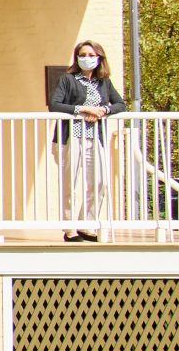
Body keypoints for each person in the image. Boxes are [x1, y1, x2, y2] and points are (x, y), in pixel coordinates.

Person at [47, 40, 126, 243]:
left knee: (99, 182)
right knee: (69, 183)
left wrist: (103, 110)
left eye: (91, 55)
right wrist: (83, 109)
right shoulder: (68, 79)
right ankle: (70, 228)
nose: (87, 58)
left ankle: (86, 224)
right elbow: (55, 104)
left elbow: (120, 104)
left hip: (94, 136)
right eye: (83, 54)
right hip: (71, 138)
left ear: (99, 58)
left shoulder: (103, 82)